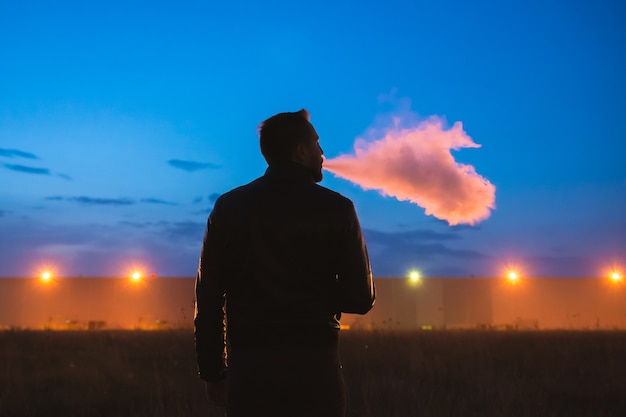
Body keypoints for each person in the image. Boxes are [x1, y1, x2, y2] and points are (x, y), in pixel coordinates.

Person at [194, 109, 375, 417]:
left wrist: (213, 373)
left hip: (250, 372)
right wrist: (314, 289)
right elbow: (361, 298)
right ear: (300, 151)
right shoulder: (338, 209)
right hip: (316, 370)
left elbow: (208, 299)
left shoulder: (228, 207)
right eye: (317, 145)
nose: (323, 154)